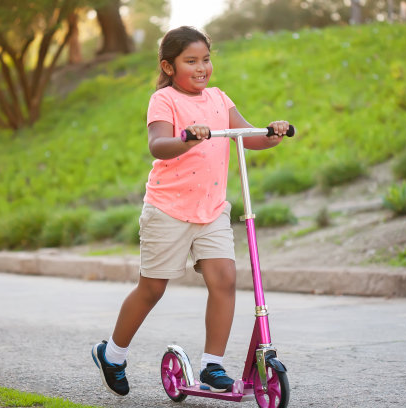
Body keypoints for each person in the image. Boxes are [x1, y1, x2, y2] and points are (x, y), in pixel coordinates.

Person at [91, 26, 290, 397]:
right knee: (152, 289)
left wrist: (272, 133)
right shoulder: (164, 100)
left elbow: (250, 135)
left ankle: (212, 364)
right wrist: (186, 138)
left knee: (225, 280)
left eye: (206, 60)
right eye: (191, 61)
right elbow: (158, 144)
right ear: (168, 66)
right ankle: (112, 354)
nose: (202, 68)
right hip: (168, 209)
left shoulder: (218, 98)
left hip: (211, 209)